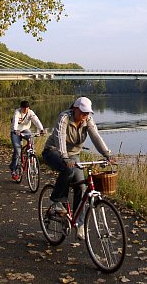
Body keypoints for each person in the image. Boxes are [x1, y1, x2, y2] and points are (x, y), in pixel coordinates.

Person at [42, 96, 113, 240]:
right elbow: (60, 137)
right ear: (75, 109)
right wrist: (64, 157)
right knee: (67, 169)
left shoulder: (87, 120)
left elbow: (95, 136)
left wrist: (107, 154)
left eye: (87, 113)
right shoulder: (64, 118)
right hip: (54, 151)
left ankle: (79, 225)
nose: (85, 116)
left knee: (81, 187)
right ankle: (55, 201)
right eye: (82, 112)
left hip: (73, 156)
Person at [10, 100, 45, 180]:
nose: (25, 110)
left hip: (25, 130)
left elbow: (36, 120)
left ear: (28, 108)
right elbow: (15, 121)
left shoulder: (30, 112)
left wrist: (41, 129)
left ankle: (30, 155)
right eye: (24, 109)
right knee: (18, 150)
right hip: (15, 132)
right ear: (21, 108)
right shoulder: (17, 112)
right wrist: (15, 130)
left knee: (31, 138)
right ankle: (13, 169)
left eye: (27, 108)